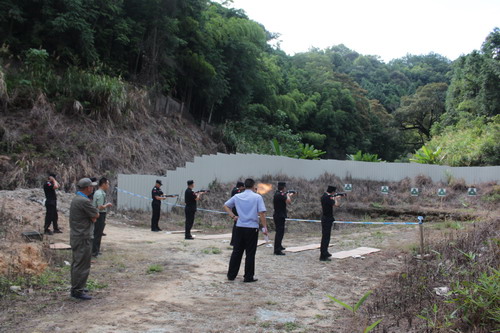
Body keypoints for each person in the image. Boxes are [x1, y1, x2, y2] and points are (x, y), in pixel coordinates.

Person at [223, 178, 269, 282]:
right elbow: (262, 213)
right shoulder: (257, 197)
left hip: (239, 226)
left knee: (237, 251)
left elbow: (225, 205)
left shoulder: (237, 196)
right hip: (252, 228)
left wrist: (233, 216)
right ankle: (248, 276)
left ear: (244, 186)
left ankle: (231, 275)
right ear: (253, 186)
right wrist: (264, 227)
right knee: (250, 253)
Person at [69, 178, 99, 300]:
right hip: (83, 236)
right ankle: (77, 291)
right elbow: (95, 215)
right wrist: (93, 215)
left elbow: (93, 216)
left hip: (77, 236)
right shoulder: (84, 201)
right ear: (88, 188)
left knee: (77, 263)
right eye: (91, 186)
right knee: (82, 264)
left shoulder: (77, 199)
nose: (92, 188)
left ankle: (78, 286)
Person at [320, 185, 342, 261]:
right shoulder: (328, 197)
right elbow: (336, 205)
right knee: (326, 238)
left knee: (326, 237)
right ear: (332, 192)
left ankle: (325, 252)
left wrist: (334, 198)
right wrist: (336, 199)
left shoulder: (324, 196)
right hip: (327, 219)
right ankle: (323, 255)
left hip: (325, 218)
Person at [92, 177, 112, 257]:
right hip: (99, 214)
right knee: (97, 233)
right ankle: (94, 252)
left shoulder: (98, 192)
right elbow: (100, 207)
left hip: (98, 214)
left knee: (97, 233)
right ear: (103, 184)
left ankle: (96, 250)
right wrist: (107, 205)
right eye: (107, 184)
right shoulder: (100, 194)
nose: (108, 186)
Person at [273, 182, 294, 256]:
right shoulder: (281, 194)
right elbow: (289, 201)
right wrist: (288, 195)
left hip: (278, 215)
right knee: (279, 233)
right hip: (279, 216)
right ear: (283, 187)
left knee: (280, 232)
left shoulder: (277, 193)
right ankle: (277, 250)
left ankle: (279, 246)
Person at [229, 181, 244, 246]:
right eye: (242, 187)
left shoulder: (235, 190)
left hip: (235, 209)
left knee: (236, 225)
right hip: (236, 209)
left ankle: (234, 241)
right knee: (236, 226)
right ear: (240, 187)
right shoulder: (236, 190)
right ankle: (234, 241)